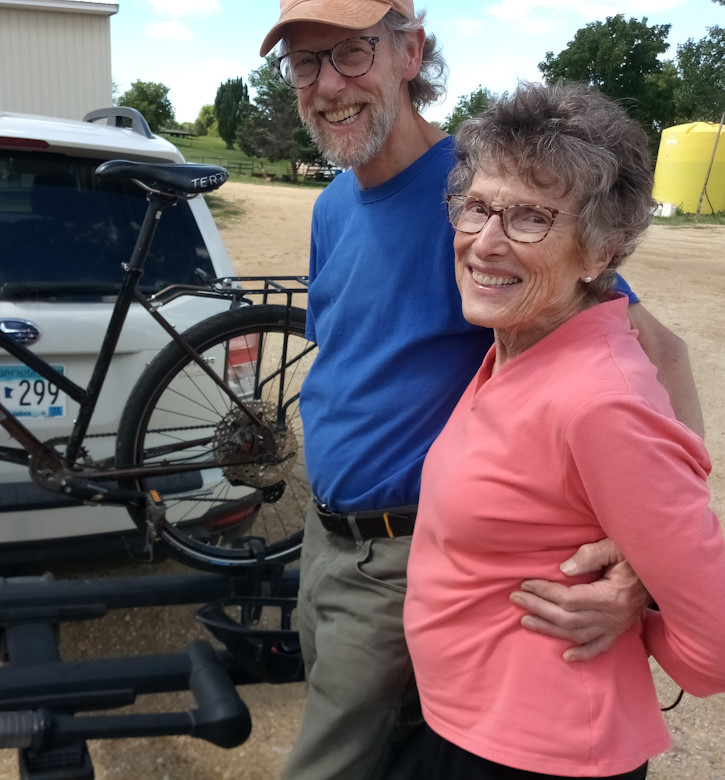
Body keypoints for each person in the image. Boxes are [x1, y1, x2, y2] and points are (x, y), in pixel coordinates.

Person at [258, 1, 706, 778]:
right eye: (305, 63)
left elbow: (656, 354)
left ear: (409, 54)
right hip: (328, 539)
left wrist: (642, 566)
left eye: (351, 54)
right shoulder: (333, 205)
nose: (327, 84)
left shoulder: (479, 193)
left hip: (403, 554)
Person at [403, 81, 725, 779]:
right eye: (477, 207)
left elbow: (716, 639)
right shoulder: (526, 345)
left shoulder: (596, 396)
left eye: (530, 218)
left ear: (602, 252)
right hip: (474, 723)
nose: (484, 243)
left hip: (537, 752)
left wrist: (641, 617)